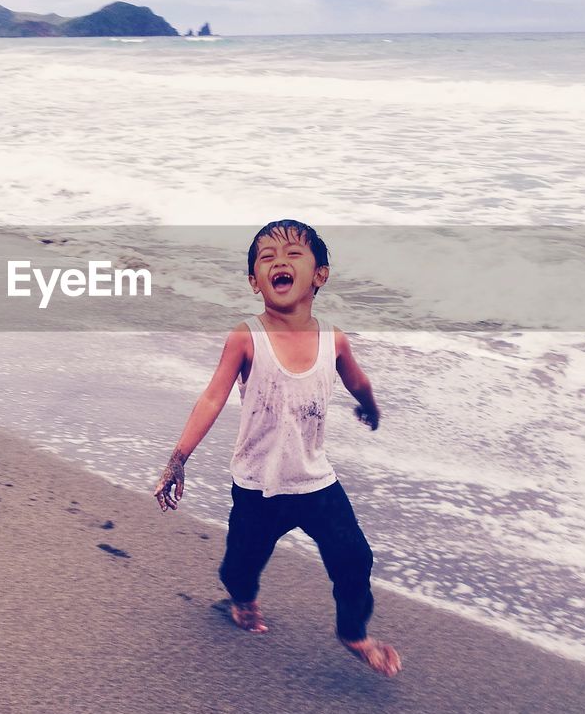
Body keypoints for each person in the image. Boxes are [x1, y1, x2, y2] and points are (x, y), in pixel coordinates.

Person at [153, 219, 401, 676]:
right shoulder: (246, 337)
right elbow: (212, 397)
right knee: (240, 567)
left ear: (320, 274)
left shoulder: (333, 339)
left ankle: (353, 631)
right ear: (254, 282)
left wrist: (370, 408)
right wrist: (177, 459)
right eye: (266, 258)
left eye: (293, 255)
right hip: (257, 486)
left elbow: (358, 380)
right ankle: (242, 599)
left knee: (354, 558)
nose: (279, 262)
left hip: (314, 481)